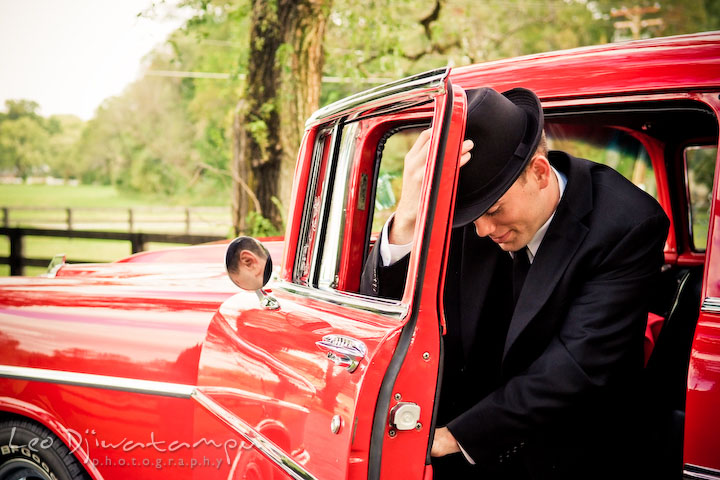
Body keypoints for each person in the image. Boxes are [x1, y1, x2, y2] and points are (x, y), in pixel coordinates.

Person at [360, 87, 669, 479]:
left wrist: (453, 437)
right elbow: (392, 310)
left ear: (539, 173)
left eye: (494, 210)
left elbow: (577, 364)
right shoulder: (470, 211)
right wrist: (406, 215)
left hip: (569, 452)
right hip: (459, 445)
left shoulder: (626, 223)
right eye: (471, 216)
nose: (483, 229)